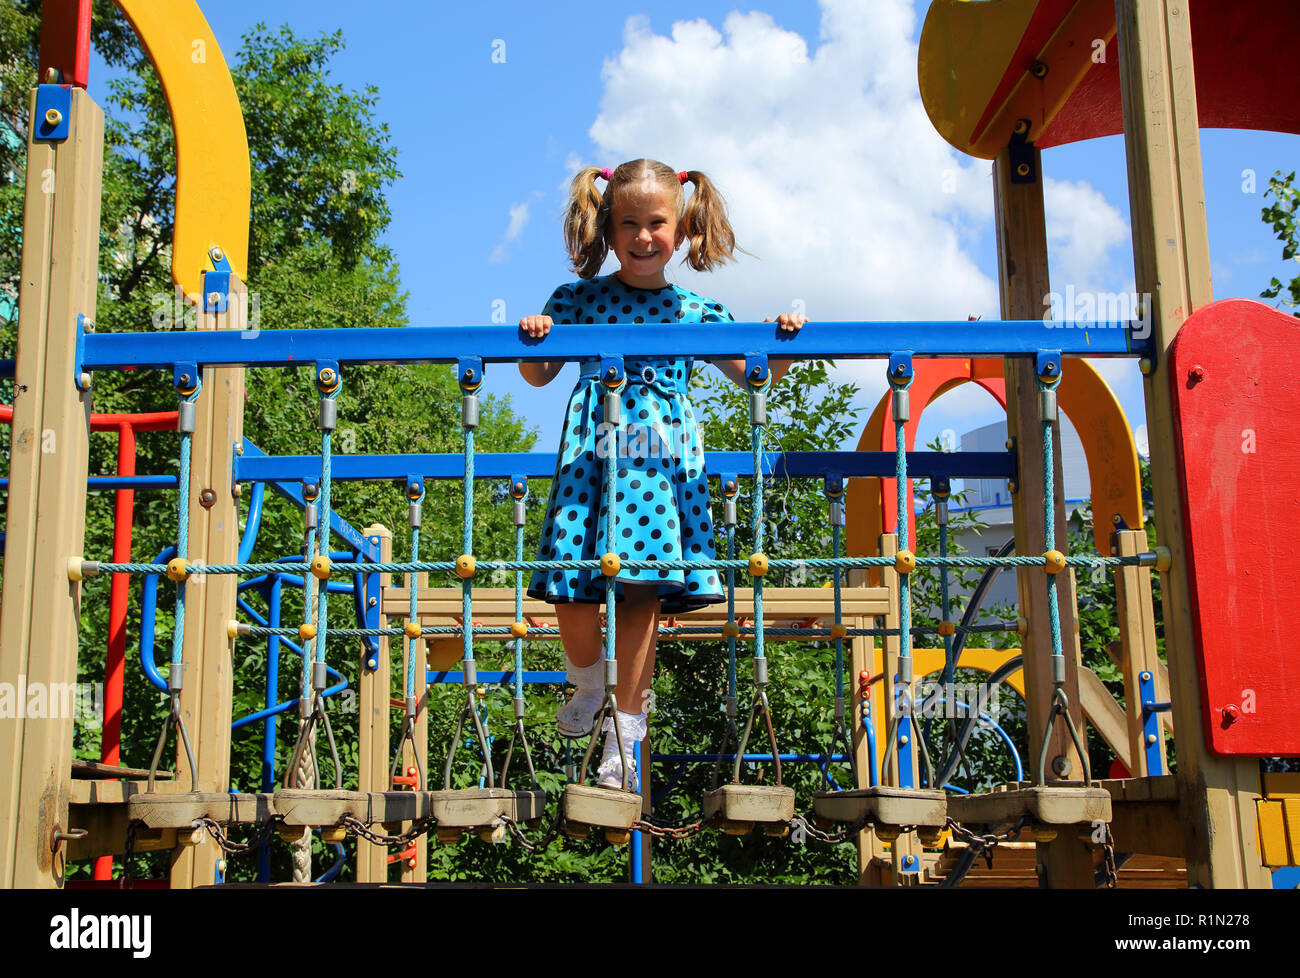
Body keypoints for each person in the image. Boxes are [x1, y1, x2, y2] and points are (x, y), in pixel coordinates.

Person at [519, 158, 805, 790]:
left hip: (657, 466)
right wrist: (538, 337)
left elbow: (752, 373)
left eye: (657, 224)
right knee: (569, 580)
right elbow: (536, 374)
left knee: (641, 592)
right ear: (607, 229)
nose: (643, 238)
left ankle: (625, 736)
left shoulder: (696, 310)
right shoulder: (579, 301)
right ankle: (589, 681)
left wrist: (782, 341)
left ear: (683, 226)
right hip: (593, 461)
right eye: (629, 224)